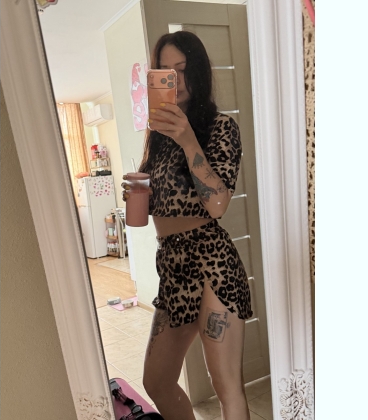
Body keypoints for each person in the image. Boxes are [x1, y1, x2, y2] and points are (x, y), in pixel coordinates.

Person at [122, 31, 253, 420]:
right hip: (173, 264)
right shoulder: (158, 136)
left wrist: (188, 139)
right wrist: (137, 192)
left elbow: (217, 205)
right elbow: (154, 211)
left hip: (211, 261)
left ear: (197, 72)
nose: (174, 80)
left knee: (226, 384)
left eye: (181, 69)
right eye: (165, 72)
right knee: (157, 380)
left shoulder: (220, 127)